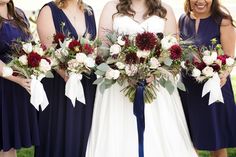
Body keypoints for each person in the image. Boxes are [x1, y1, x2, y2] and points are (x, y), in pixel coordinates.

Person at [86, 0, 198, 157]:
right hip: (118, 87)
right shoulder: (111, 7)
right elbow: (102, 51)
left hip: (157, 87)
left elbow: (174, 53)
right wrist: (124, 69)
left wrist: (155, 71)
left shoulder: (166, 10)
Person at [35, 0, 96, 157]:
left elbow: (93, 48)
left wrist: (83, 67)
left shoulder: (89, 12)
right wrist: (69, 75)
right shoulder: (49, 10)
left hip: (86, 84)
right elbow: (50, 52)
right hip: (58, 84)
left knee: (81, 133)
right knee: (57, 133)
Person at [178, 0, 236, 156]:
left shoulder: (223, 21)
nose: (200, 1)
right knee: (188, 140)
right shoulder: (183, 19)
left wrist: (222, 74)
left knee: (216, 142)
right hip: (188, 89)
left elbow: (229, 58)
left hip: (214, 88)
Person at [0, 0, 39, 157]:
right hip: (4, 84)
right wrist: (19, 80)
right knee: (4, 144)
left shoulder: (19, 14)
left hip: (18, 85)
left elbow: (30, 44)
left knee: (9, 143)